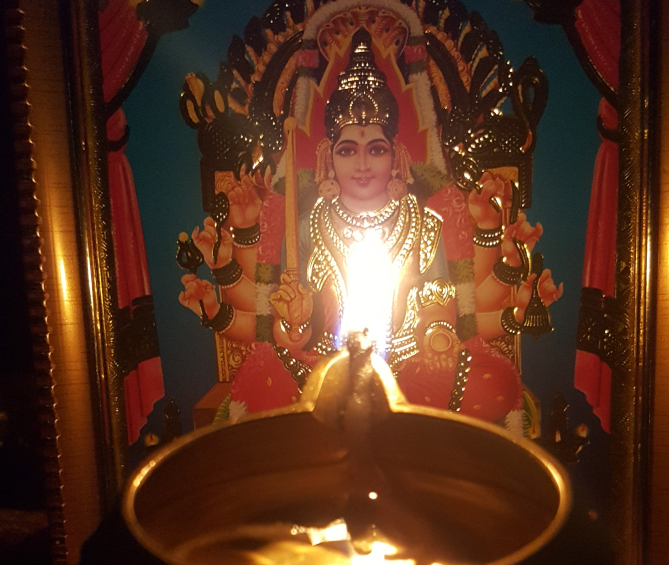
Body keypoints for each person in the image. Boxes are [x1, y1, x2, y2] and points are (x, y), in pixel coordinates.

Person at [179, 30, 562, 430]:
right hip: (326, 364)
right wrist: (294, 323)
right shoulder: (307, 226)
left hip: (412, 359)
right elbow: (295, 328)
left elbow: (437, 296)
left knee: (492, 383)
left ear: (396, 156)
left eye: (376, 149)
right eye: (348, 150)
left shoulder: (425, 222)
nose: (362, 164)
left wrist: (438, 337)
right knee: (265, 379)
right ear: (328, 157)